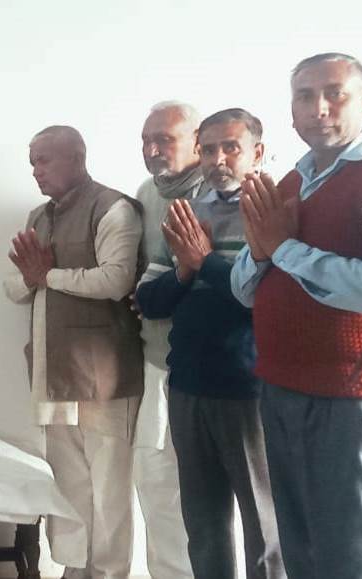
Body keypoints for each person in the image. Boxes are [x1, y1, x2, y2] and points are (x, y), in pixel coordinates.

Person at [229, 53, 362, 578]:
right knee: (300, 546)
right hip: (281, 386)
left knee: (356, 552)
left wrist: (284, 249)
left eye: (334, 94)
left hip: (350, 392)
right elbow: (247, 289)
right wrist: (264, 252)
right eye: (304, 96)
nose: (318, 108)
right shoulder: (292, 181)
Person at [137, 108, 284, 579]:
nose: (217, 159)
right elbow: (148, 300)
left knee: (264, 523)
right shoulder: (189, 212)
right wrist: (184, 270)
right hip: (187, 385)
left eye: (231, 148)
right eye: (208, 149)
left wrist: (204, 263)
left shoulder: (274, 212)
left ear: (257, 153)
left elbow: (264, 302)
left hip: (248, 387)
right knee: (202, 524)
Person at [4, 125, 144, 579]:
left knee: (109, 487)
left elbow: (116, 280)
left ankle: (109, 573)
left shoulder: (114, 208)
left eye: (44, 160)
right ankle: (73, 568)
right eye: (32, 163)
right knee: (67, 481)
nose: (36, 171)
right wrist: (33, 279)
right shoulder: (38, 217)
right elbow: (15, 288)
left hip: (104, 375)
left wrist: (48, 277)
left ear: (77, 158)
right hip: (54, 371)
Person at [128, 101, 202, 579]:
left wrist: (158, 292)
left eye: (165, 140)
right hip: (156, 362)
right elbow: (145, 276)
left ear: (197, 142)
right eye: (145, 140)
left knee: (206, 494)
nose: (152, 150)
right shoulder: (145, 193)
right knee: (155, 481)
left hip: (207, 371)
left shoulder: (215, 193)